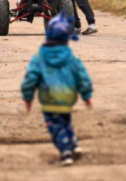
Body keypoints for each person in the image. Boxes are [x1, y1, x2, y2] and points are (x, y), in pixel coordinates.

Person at [20, 10, 93, 166]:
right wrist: (87, 95)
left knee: (55, 126)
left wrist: (28, 97)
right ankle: (74, 144)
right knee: (65, 121)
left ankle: (66, 151)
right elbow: (82, 76)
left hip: (49, 98)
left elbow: (30, 77)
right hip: (68, 97)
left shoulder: (40, 56)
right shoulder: (71, 57)